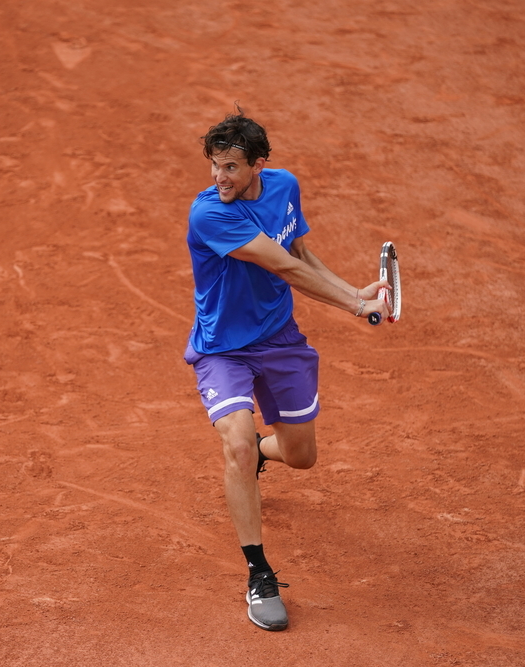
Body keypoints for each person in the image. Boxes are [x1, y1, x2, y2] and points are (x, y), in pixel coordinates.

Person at [184, 109, 389, 631]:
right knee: (235, 441)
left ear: (259, 165)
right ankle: (259, 573)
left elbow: (299, 249)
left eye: (231, 167)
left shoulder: (284, 187)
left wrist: (353, 289)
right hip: (222, 349)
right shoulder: (209, 214)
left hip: (278, 341)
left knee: (301, 456)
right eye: (214, 166)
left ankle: (259, 452)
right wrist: (350, 305)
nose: (219, 178)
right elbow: (282, 266)